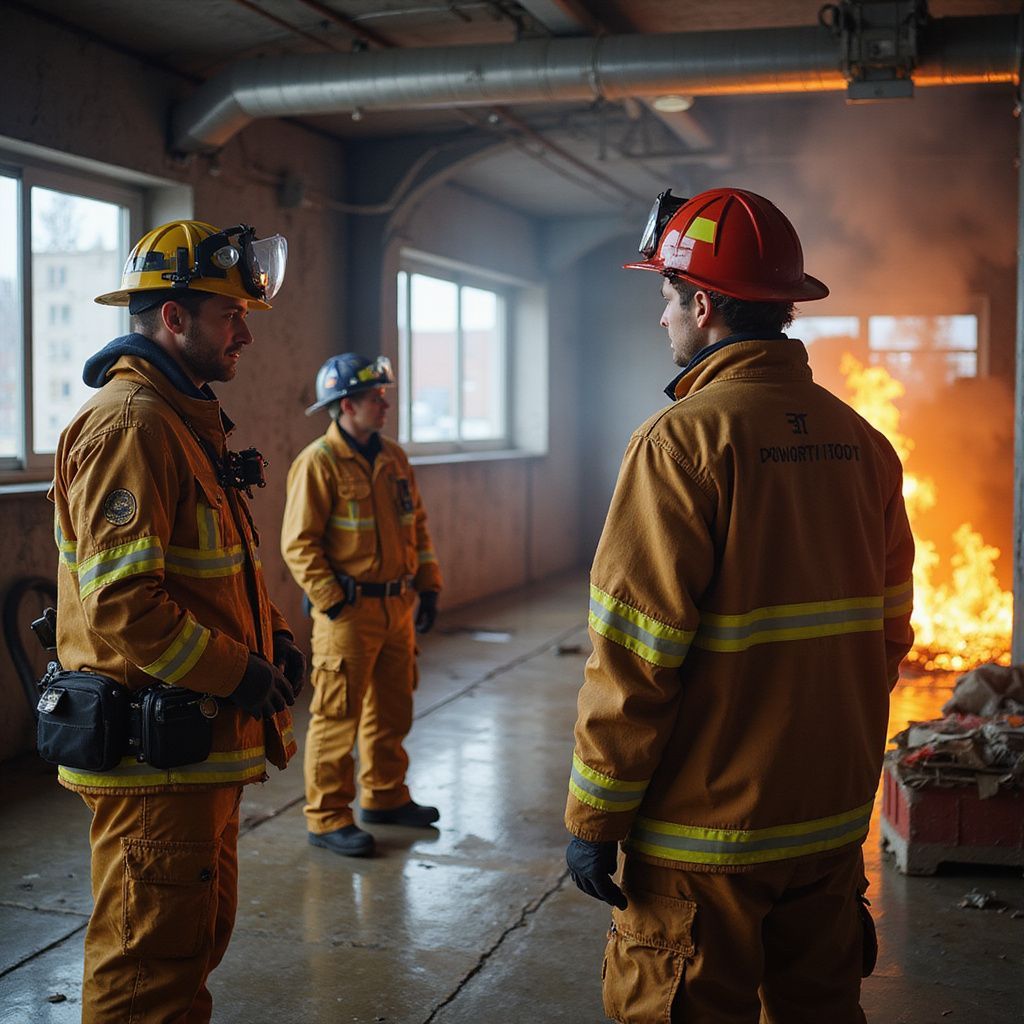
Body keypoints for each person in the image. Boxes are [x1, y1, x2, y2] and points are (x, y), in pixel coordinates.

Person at [564, 187, 915, 1023]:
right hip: (827, 826)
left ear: (703, 303)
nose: (662, 318)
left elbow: (632, 657)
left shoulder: (680, 443)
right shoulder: (865, 444)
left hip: (705, 838)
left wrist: (594, 815)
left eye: (665, 296)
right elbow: (890, 635)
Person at [50, 219, 306, 1023]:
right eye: (230, 316)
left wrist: (275, 636)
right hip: (154, 768)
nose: (244, 336)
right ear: (173, 317)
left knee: (185, 955)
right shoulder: (133, 426)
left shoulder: (182, 420)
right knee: (146, 980)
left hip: (193, 755)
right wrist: (243, 670)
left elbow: (216, 567)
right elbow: (126, 603)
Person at [281, 353, 443, 857]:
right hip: (348, 615)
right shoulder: (318, 463)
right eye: (377, 396)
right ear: (346, 404)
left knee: (393, 710)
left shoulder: (394, 458)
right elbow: (298, 543)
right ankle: (328, 817)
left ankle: (385, 797)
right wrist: (331, 601)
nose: (386, 403)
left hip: (396, 607)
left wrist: (429, 583)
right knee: (337, 717)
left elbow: (416, 526)